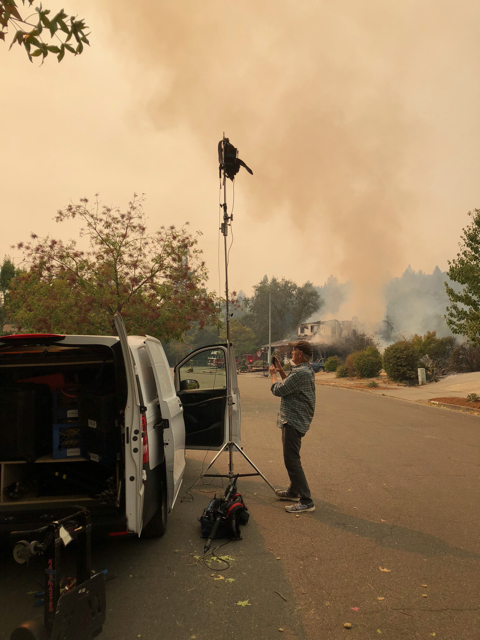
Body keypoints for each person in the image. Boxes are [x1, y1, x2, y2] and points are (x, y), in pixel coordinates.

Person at [270, 340, 316, 514]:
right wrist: (281, 371)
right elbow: (290, 386)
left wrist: (273, 375)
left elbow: (278, 390)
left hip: (294, 420)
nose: (292, 353)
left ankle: (306, 500)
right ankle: (293, 491)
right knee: (291, 457)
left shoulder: (301, 373)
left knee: (292, 459)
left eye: (294, 350)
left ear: (301, 354)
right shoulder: (304, 371)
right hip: (295, 419)